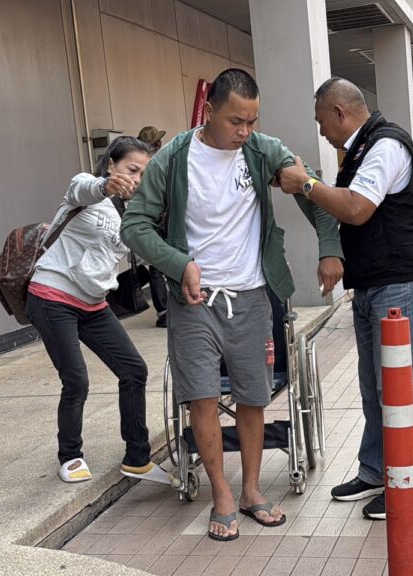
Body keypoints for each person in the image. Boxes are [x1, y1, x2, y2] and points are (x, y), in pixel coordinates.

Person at [121, 68, 344, 541]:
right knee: (201, 396)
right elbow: (135, 225)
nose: (244, 131)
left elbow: (312, 189)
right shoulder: (174, 158)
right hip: (194, 300)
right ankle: (221, 493)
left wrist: (329, 249)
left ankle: (251, 491)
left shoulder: (263, 151)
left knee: (252, 396)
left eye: (252, 121)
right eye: (235, 121)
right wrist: (179, 264)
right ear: (209, 111)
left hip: (252, 295)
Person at [277, 77, 413, 520]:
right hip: (373, 284)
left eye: (321, 121)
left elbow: (355, 207)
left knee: (398, 389)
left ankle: (411, 480)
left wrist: (306, 184)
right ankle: (375, 471)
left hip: (400, 283)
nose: (321, 131)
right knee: (374, 388)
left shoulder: (385, 145)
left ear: (340, 113)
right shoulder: (360, 150)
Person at [26, 137, 171, 486]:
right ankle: (70, 455)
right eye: (131, 169)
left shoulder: (133, 213)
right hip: (52, 296)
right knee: (76, 379)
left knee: (134, 370)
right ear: (111, 165)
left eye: (143, 174)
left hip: (92, 304)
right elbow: (84, 189)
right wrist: (106, 186)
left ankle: (137, 458)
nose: (136, 179)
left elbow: (152, 252)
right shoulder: (86, 188)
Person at [137, 125, 169, 328]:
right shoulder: (161, 161)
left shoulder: (136, 164)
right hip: (165, 217)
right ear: (157, 144)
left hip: (149, 218)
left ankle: (163, 311)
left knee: (156, 267)